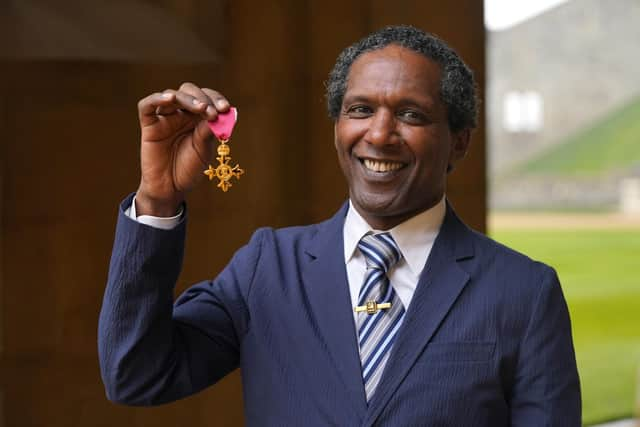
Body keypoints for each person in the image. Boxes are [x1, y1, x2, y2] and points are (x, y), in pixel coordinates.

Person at [98, 25, 581, 426]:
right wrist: (158, 197)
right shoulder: (266, 268)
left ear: (458, 142)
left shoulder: (524, 293)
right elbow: (136, 375)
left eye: (411, 114)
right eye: (360, 109)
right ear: (337, 128)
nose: (378, 134)